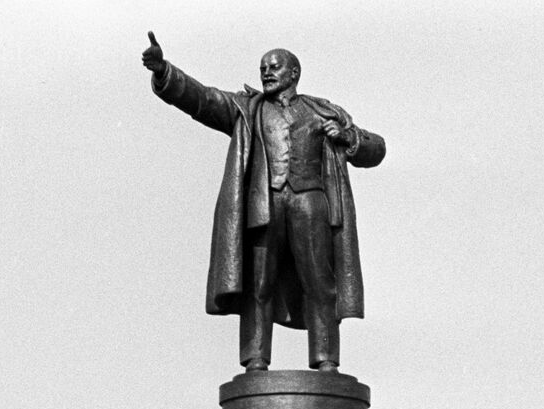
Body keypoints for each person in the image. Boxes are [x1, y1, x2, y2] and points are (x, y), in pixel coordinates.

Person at [142, 33, 386, 374]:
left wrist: (351, 138)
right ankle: (255, 359)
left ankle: (326, 359)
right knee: (258, 283)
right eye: (262, 68)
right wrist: (165, 73)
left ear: (294, 73)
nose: (266, 73)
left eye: (274, 67)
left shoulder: (323, 111)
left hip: (311, 203)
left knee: (320, 282)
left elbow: (377, 150)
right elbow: (203, 99)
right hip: (264, 205)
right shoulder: (247, 110)